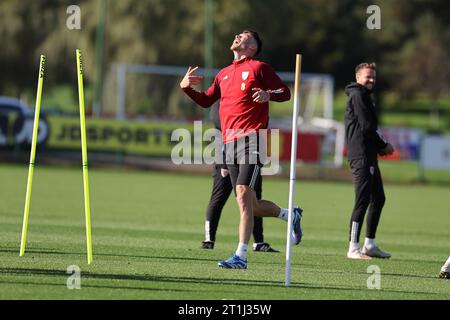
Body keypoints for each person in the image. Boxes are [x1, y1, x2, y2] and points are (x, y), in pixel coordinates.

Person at [180, 30, 302, 269]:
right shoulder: (224, 73)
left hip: (252, 140)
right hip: (228, 144)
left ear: (253, 46)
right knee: (250, 205)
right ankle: (290, 215)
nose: (238, 36)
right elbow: (206, 100)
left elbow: (285, 92)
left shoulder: (259, 67)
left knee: (245, 198)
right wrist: (186, 88)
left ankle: (240, 256)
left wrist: (269, 94)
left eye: (245, 36)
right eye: (238, 34)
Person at [201, 103, 278, 253]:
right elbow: (220, 123)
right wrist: (224, 162)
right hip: (226, 156)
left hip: (249, 153)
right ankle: (209, 239)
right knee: (218, 198)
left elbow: (263, 121)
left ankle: (259, 242)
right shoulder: (222, 99)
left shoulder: (251, 100)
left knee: (253, 199)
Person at [344, 62, 394, 260]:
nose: (371, 80)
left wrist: (377, 148)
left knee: (378, 198)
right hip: (362, 156)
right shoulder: (358, 95)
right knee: (362, 201)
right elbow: (366, 127)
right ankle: (353, 248)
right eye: (367, 76)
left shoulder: (364, 95)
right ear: (358, 77)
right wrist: (383, 145)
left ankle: (370, 244)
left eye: (374, 76)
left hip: (368, 154)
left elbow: (367, 127)